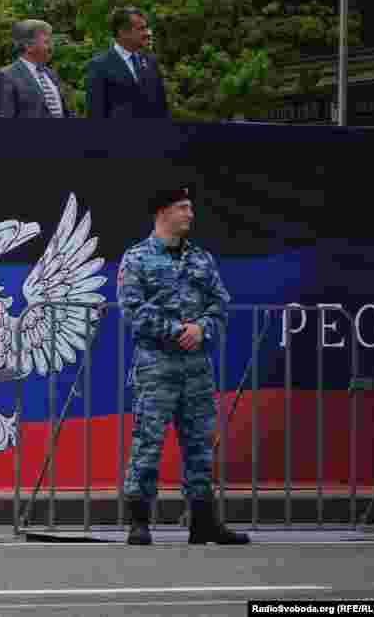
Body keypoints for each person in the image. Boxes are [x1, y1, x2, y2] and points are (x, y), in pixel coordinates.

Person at [117, 184, 249, 546]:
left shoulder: (202, 259)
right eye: (183, 207)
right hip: (155, 367)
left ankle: (202, 522)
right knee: (148, 443)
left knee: (200, 447)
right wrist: (177, 331)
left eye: (190, 207)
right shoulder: (136, 258)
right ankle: (139, 522)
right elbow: (132, 309)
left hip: (196, 369)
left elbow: (220, 303)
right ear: (163, 212)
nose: (190, 214)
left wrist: (202, 328)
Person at [85, 6, 168, 119]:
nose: (147, 33)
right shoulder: (99, 66)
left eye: (146, 28)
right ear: (123, 32)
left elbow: (161, 106)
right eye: (141, 29)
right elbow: (96, 112)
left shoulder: (151, 61)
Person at [0, 19, 72, 118]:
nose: (51, 47)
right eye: (46, 42)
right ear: (29, 46)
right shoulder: (7, 76)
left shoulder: (51, 74)